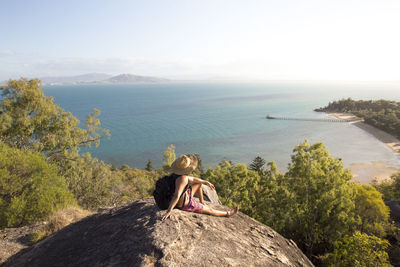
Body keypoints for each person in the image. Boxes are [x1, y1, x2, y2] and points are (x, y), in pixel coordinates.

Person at [161, 154, 239, 221]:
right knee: (209, 210)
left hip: (185, 196)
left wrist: (205, 182)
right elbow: (176, 196)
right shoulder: (182, 179)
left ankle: (202, 202)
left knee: (198, 184)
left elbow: (194, 179)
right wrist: (169, 211)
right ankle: (227, 214)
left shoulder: (177, 175)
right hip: (185, 204)